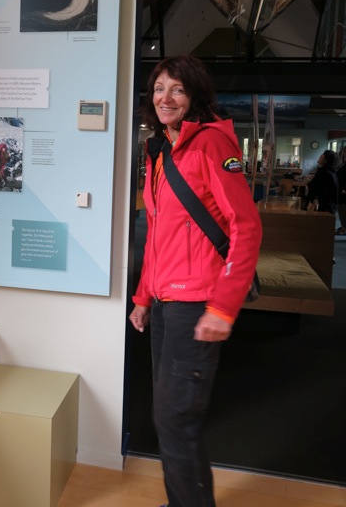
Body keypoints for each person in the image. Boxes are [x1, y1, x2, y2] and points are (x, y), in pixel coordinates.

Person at [129, 55, 262, 507]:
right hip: (165, 303)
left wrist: (223, 307)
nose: (165, 97)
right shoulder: (161, 150)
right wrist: (143, 296)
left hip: (198, 301)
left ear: (195, 96)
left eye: (177, 89)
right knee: (168, 417)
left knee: (175, 419)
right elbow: (157, 233)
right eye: (159, 88)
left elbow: (246, 228)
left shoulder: (210, 145)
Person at [305, 149, 339, 214]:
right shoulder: (332, 172)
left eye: (321, 156)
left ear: (326, 160)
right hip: (330, 206)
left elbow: (318, 189)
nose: (319, 157)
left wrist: (308, 183)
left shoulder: (324, 172)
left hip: (323, 207)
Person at [336, 147, 346, 235]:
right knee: (341, 209)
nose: (343, 154)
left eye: (345, 152)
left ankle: (344, 228)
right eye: (343, 152)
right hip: (340, 191)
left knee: (343, 210)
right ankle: (343, 226)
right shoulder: (343, 163)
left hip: (344, 192)